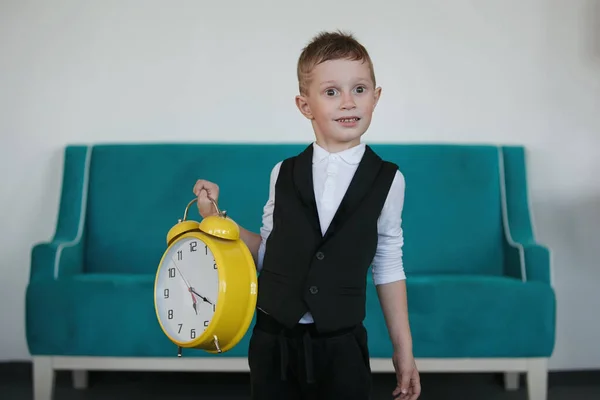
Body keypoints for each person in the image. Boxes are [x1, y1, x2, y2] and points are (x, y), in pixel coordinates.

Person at [193, 30, 420, 400]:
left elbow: (388, 264)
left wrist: (403, 349)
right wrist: (215, 218)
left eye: (359, 89)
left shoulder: (389, 179)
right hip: (273, 340)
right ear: (305, 105)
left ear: (376, 98)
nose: (348, 102)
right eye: (332, 92)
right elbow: (269, 253)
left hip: (341, 345)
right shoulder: (282, 173)